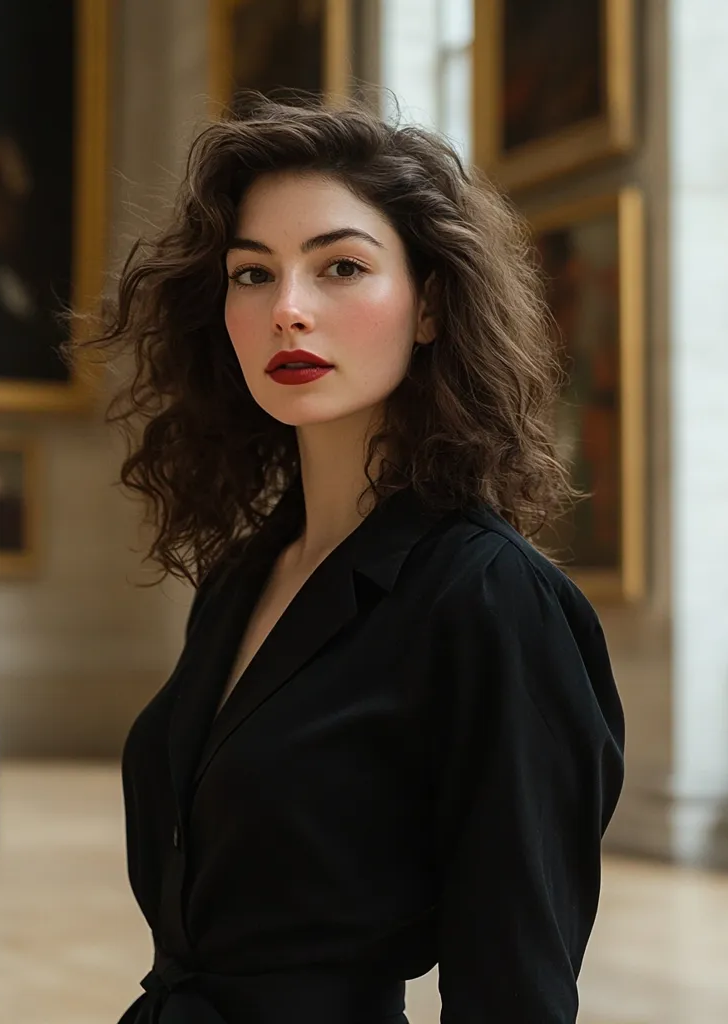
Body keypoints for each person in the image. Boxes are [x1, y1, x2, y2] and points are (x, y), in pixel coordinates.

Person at [82, 94, 625, 1024]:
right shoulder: (243, 574)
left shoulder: (491, 599)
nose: (289, 310)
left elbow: (516, 993)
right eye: (253, 275)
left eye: (341, 267)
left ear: (430, 307)